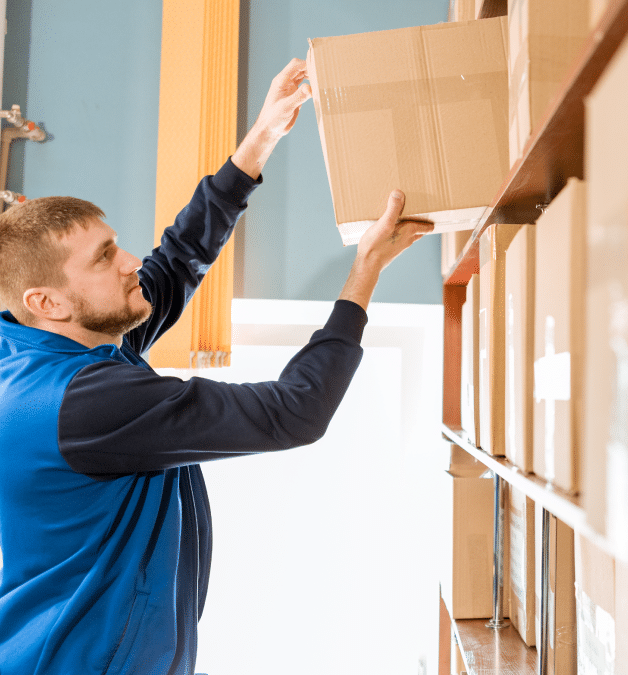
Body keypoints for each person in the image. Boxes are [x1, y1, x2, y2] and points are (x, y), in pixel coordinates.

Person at [0, 59, 433, 674]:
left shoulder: (43, 342)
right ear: (48, 301)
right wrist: (366, 272)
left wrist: (261, 140)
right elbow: (295, 413)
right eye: (104, 257)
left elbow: (171, 267)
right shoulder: (83, 401)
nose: (129, 261)